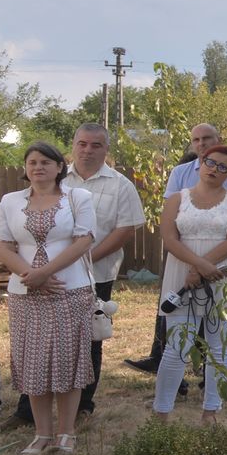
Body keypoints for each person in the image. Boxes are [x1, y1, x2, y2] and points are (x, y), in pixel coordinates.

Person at [0, 142, 97, 454]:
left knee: (68, 361)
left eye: (45, 162)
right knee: (33, 363)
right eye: (32, 162)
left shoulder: (79, 197)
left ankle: (67, 434)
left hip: (70, 290)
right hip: (25, 294)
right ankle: (42, 434)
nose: (38, 167)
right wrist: (31, 277)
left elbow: (84, 240)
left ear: (60, 167)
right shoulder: (10, 201)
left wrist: (45, 272)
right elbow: (4, 246)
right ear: (25, 168)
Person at [127, 123, 227, 376]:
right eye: (196, 139)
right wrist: (194, 264)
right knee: (175, 316)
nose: (201, 144)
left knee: (216, 322)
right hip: (181, 255)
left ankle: (208, 377)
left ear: (219, 139)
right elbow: (172, 222)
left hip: (219, 260)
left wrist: (204, 266)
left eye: (207, 138)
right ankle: (171, 374)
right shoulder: (180, 172)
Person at [47, 123, 144, 420]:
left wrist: (83, 258)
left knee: (90, 338)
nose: (88, 150)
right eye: (83, 144)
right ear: (73, 145)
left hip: (96, 274)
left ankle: (82, 406)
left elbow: (125, 228)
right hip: (51, 275)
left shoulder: (120, 185)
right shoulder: (55, 181)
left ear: (106, 149)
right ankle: (29, 408)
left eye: (96, 145)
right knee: (45, 340)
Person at [153, 144, 227, 420]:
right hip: (182, 274)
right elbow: (170, 239)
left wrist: (205, 268)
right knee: (176, 347)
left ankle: (211, 411)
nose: (214, 169)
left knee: (219, 347)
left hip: (224, 275)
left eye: (223, 167)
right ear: (201, 163)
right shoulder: (176, 199)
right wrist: (199, 267)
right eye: (211, 162)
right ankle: (161, 412)